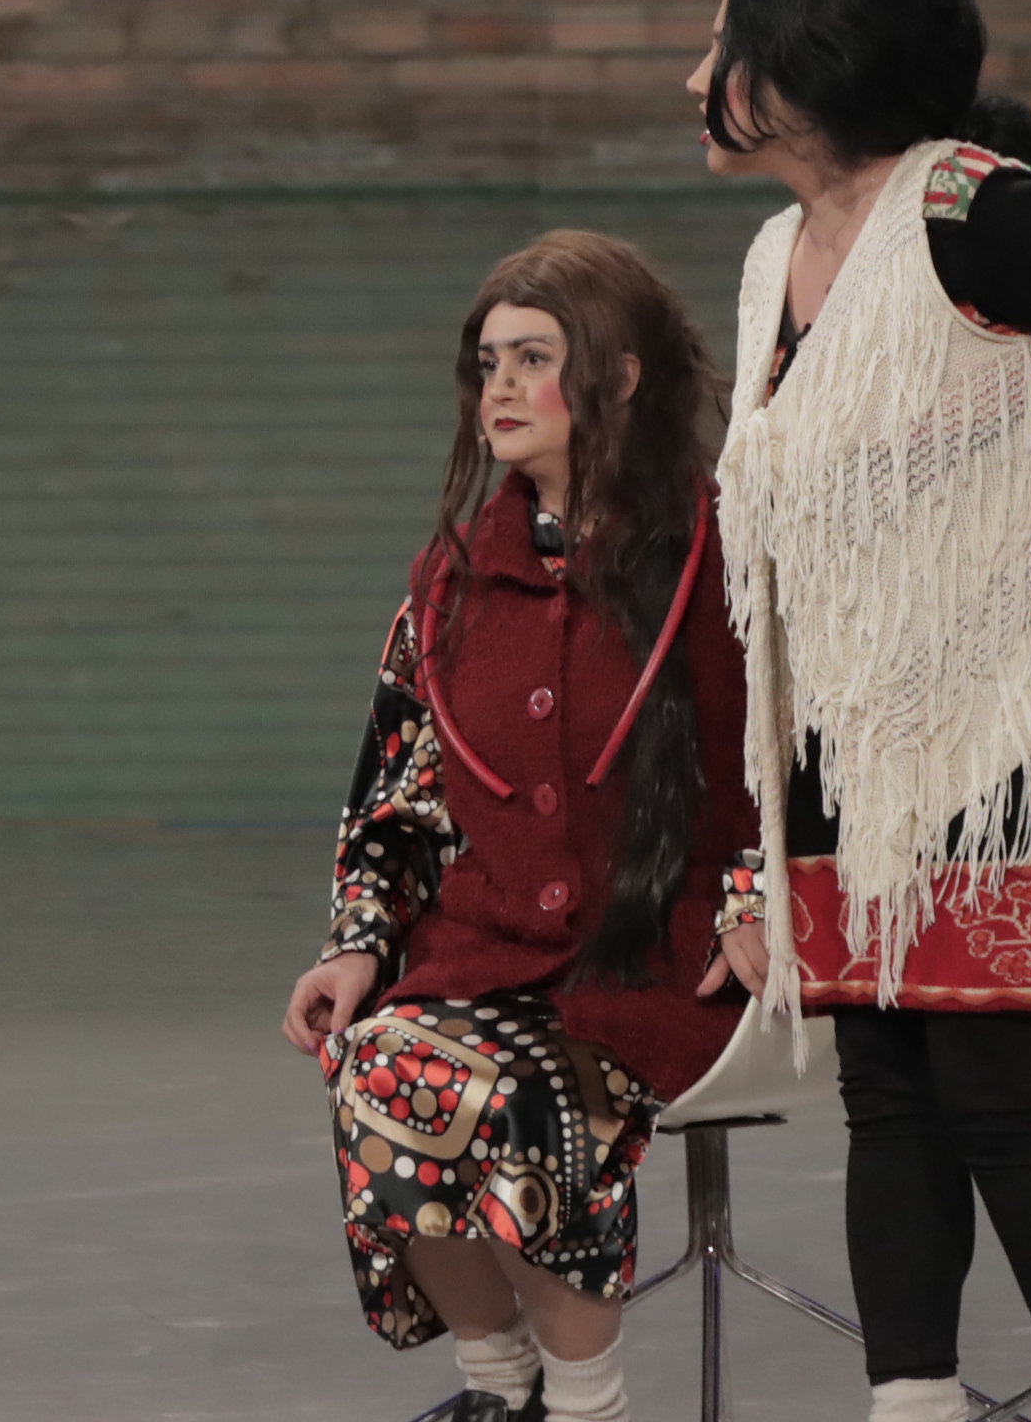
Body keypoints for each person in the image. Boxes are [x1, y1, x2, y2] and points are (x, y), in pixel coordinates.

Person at [689, 0, 1031, 1422]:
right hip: (844, 731)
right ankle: (911, 1400)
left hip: (1004, 724)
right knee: (885, 1096)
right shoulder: (774, 253)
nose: (696, 77)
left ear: (804, 73)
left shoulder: (976, 209)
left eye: (721, 47)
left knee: (993, 1096)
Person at [282, 232, 755, 1422]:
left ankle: (587, 1402)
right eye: (488, 360)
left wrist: (761, 895)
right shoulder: (448, 583)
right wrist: (358, 942)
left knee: (520, 1093)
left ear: (620, 376)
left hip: (663, 953)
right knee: (384, 1064)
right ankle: (499, 1389)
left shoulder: (729, 550)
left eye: (533, 357)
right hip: (487, 949)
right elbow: (397, 789)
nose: (499, 385)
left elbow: (805, 753)